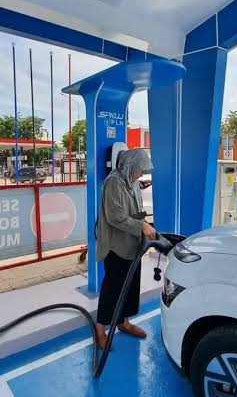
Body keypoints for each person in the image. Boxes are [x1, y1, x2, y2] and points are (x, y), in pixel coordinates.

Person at [95, 148, 156, 349]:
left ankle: (124, 322)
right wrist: (142, 227)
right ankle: (100, 330)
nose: (141, 174)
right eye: (140, 169)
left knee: (129, 286)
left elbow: (137, 210)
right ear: (129, 166)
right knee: (112, 288)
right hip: (116, 245)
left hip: (133, 244)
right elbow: (115, 217)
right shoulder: (113, 183)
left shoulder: (132, 182)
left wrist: (145, 224)